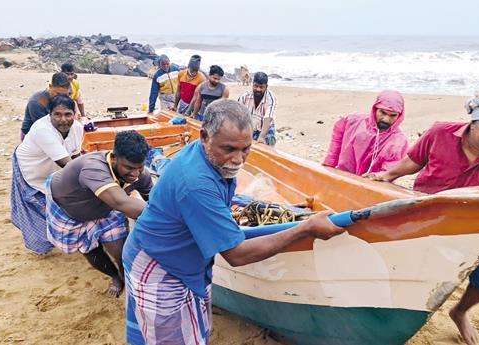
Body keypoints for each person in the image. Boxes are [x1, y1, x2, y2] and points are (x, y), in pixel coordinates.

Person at [123, 99, 345, 345]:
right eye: (228, 149)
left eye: (245, 149)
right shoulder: (197, 184)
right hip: (160, 262)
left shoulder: (205, 157)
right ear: (205, 136)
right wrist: (306, 228)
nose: (239, 160)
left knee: (189, 329)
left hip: (176, 255)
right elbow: (236, 255)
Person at [368, 90, 479, 345]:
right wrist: (387, 176)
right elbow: (414, 160)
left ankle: (459, 312)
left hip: (475, 221)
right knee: (401, 266)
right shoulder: (440, 132)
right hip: (426, 211)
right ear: (471, 123)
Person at [46, 130, 153, 297]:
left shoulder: (141, 174)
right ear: (114, 157)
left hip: (106, 207)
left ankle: (126, 276)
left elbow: (154, 200)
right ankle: (114, 276)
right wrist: (172, 217)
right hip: (72, 210)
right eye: (129, 168)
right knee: (91, 250)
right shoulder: (93, 167)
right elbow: (122, 202)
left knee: (121, 248)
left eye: (140, 167)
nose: (135, 174)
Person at [11, 95, 84, 255]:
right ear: (49, 114)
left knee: (60, 205)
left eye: (67, 114)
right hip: (31, 168)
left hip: (54, 171)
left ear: (74, 114)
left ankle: (68, 237)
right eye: (57, 114)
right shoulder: (42, 130)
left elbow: (76, 157)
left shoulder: (77, 128)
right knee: (37, 209)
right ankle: (42, 246)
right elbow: (70, 166)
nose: (63, 120)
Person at [323, 90, 409, 175]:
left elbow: (389, 172)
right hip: (344, 176)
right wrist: (329, 164)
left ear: (399, 115)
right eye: (383, 112)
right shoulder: (352, 121)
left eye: (393, 115)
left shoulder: (399, 141)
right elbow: (337, 141)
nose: (386, 119)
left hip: (373, 184)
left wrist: (375, 177)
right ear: (375, 109)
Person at [21, 72, 72, 140]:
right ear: (50, 86)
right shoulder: (37, 102)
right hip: (32, 135)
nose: (61, 97)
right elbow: (42, 129)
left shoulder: (65, 97)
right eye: (58, 93)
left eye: (65, 95)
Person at [237, 72, 277, 146]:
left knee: (266, 151)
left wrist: (261, 137)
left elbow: (268, 118)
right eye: (256, 86)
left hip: (267, 129)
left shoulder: (271, 98)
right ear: (252, 84)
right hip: (250, 128)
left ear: (266, 87)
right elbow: (238, 117)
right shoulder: (244, 97)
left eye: (261, 87)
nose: (258, 89)